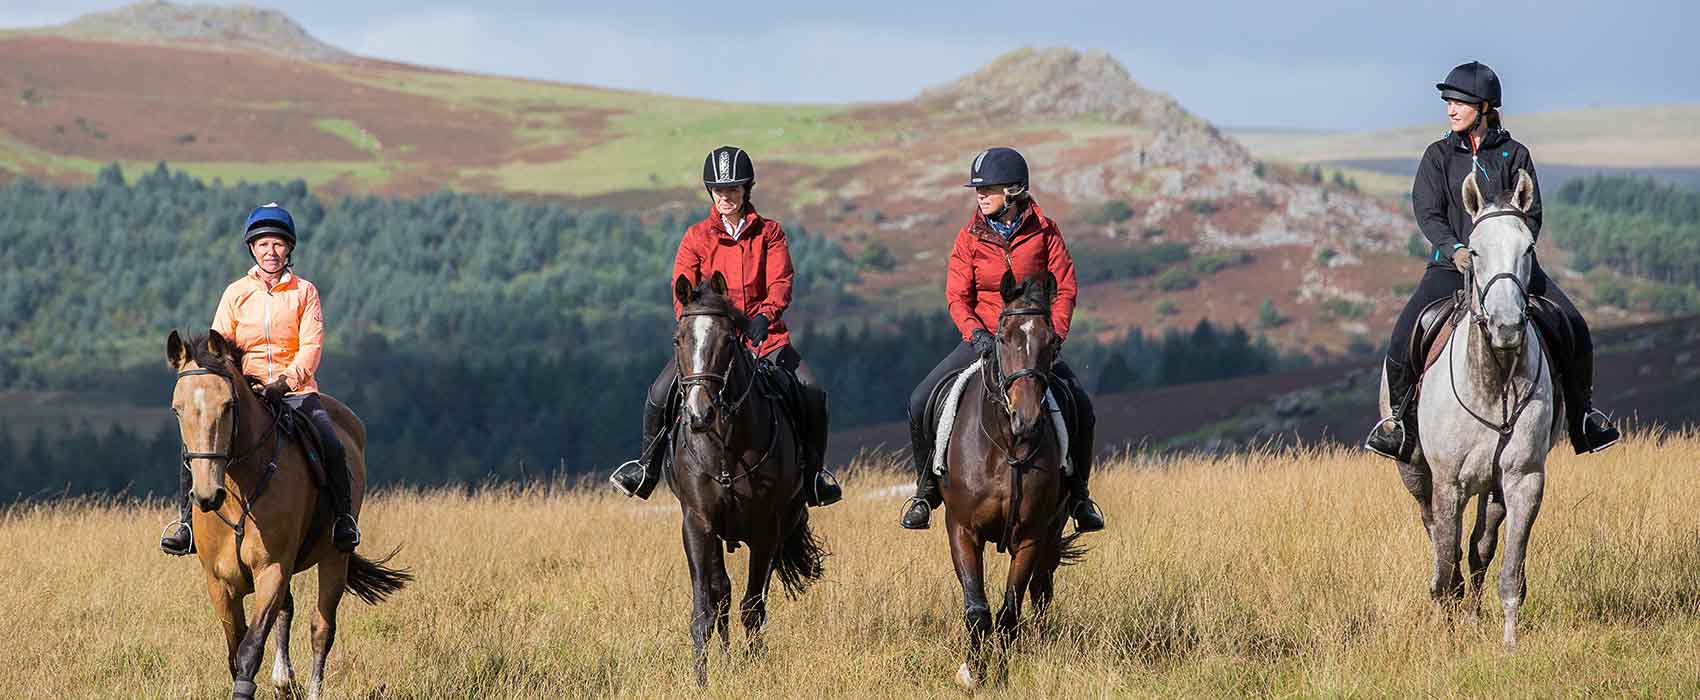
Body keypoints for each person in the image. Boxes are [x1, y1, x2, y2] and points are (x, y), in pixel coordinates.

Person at [1365, 61, 1620, 461]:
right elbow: (1427, 212)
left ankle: (1582, 420)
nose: (1451, 109)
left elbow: (1530, 213)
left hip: (1511, 270)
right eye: (1448, 101)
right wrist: (1455, 249)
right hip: (1453, 267)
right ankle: (1398, 424)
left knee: (1574, 325)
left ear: (1484, 107)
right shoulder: (1437, 157)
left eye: (1459, 102)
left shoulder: (1515, 154)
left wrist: (1511, 255)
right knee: (1404, 332)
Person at [610, 146, 840, 506]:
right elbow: (682, 293)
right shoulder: (696, 237)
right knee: (658, 393)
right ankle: (647, 470)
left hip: (766, 338)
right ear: (710, 193)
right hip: (710, 344)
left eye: (733, 190)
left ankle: (813, 476)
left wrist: (765, 316)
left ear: (746, 190)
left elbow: (781, 282)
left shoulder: (770, 233)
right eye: (719, 191)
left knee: (812, 392)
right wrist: (705, 328)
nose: (726, 197)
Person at [897, 147, 1103, 532]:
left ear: (1013, 190)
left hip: (1032, 345)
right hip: (983, 341)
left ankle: (1079, 496)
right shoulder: (969, 237)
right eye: (978, 189)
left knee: (1082, 407)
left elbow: (1066, 289)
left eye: (987, 188)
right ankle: (925, 492)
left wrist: (1053, 335)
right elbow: (957, 296)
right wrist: (975, 334)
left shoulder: (1046, 232)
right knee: (920, 399)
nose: (979, 195)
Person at [161, 203, 360, 555]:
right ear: (252, 248)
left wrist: (285, 382)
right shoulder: (236, 293)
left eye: (279, 244)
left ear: (289, 249)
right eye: (264, 244)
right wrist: (236, 382)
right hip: (246, 391)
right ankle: (186, 524)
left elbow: (311, 345)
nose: (271, 252)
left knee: (330, 440)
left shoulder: (305, 292)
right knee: (196, 445)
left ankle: (343, 518)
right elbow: (216, 347)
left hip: (295, 391)